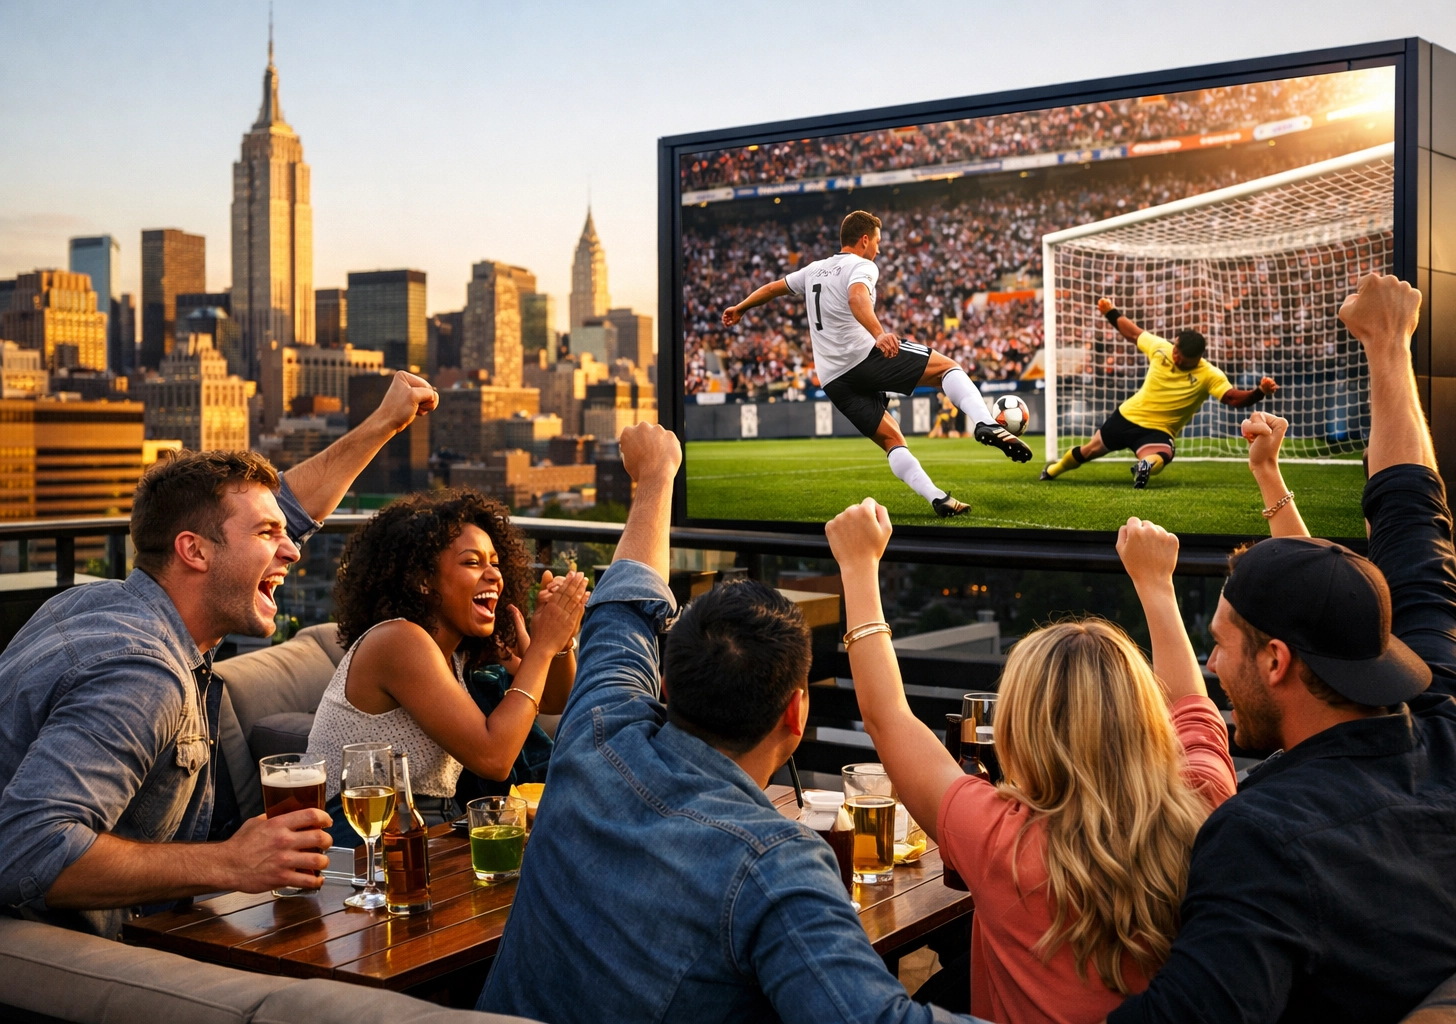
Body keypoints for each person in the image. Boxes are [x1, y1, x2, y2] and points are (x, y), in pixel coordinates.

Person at [1106, 274, 1456, 1024]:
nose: (1212, 666)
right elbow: (1413, 524)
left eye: (1222, 648)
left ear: (1276, 662)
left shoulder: (1264, 839)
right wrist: (1389, 349)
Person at [477, 421, 982, 1024]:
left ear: (664, 686)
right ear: (796, 715)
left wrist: (656, 480)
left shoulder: (597, 736)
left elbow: (623, 608)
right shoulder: (776, 866)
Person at [0, 371, 438, 938]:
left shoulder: (95, 603)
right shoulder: (143, 671)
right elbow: (26, 852)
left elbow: (281, 516)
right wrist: (232, 862)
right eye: (267, 534)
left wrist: (384, 424)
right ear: (194, 551)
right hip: (61, 960)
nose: (291, 550)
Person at [825, 500, 1235, 1023]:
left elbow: (888, 719)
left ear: (1020, 732)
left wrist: (857, 568)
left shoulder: (1001, 840)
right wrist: (1157, 585)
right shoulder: (1207, 801)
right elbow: (1192, 711)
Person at [305, 488, 587, 843]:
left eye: (495, 563)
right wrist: (543, 645)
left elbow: (551, 699)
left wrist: (561, 644)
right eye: (473, 562)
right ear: (423, 580)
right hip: (357, 834)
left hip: (426, 825)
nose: (493, 576)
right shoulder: (398, 641)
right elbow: (495, 756)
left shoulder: (458, 650)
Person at [722, 209, 1033, 520]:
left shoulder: (814, 270)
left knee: (891, 440)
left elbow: (772, 288)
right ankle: (985, 422)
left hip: (833, 379)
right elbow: (857, 298)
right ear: (865, 239)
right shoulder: (862, 265)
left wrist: (741, 307)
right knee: (948, 369)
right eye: (878, 242)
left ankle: (937, 498)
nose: (879, 250)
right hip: (863, 357)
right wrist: (879, 334)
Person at [1040, 297, 1278, 488]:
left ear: (1196, 358)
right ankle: (1052, 470)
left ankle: (1143, 467)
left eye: (1180, 356)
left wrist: (1258, 392)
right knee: (1089, 450)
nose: (1175, 355)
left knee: (1163, 454)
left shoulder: (1210, 374)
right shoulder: (1161, 348)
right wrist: (1111, 312)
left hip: (1158, 430)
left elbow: (1232, 398)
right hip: (1126, 417)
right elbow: (1133, 333)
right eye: (1175, 349)